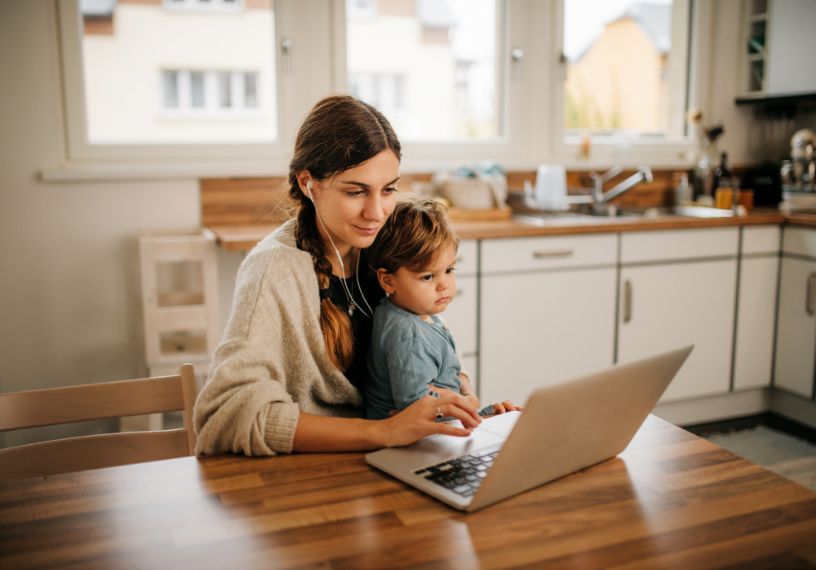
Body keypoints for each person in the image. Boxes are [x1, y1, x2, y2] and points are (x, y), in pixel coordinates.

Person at [193, 95, 484, 456]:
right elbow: (227, 413)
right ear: (308, 183)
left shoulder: (385, 241)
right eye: (355, 191)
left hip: (396, 459)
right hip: (316, 475)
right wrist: (383, 432)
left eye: (389, 189)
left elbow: (425, 350)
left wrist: (469, 401)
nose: (377, 212)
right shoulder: (273, 270)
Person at [364, 198, 517, 420]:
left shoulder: (413, 314)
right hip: (417, 441)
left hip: (439, 426)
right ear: (388, 281)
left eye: (449, 270)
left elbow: (449, 368)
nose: (444, 284)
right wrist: (467, 405)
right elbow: (415, 402)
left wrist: (468, 396)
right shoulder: (409, 334)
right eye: (427, 276)